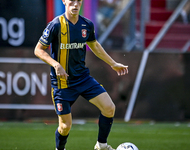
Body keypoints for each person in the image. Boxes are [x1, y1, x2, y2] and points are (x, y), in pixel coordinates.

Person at [34, 0, 128, 150]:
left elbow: (94, 45)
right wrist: (56, 64)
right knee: (65, 126)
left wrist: (113, 63)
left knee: (109, 108)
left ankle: (101, 145)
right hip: (62, 83)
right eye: (72, 1)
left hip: (83, 78)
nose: (76, 5)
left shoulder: (87, 25)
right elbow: (38, 50)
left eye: (78, 1)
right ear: (64, 1)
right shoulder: (55, 25)